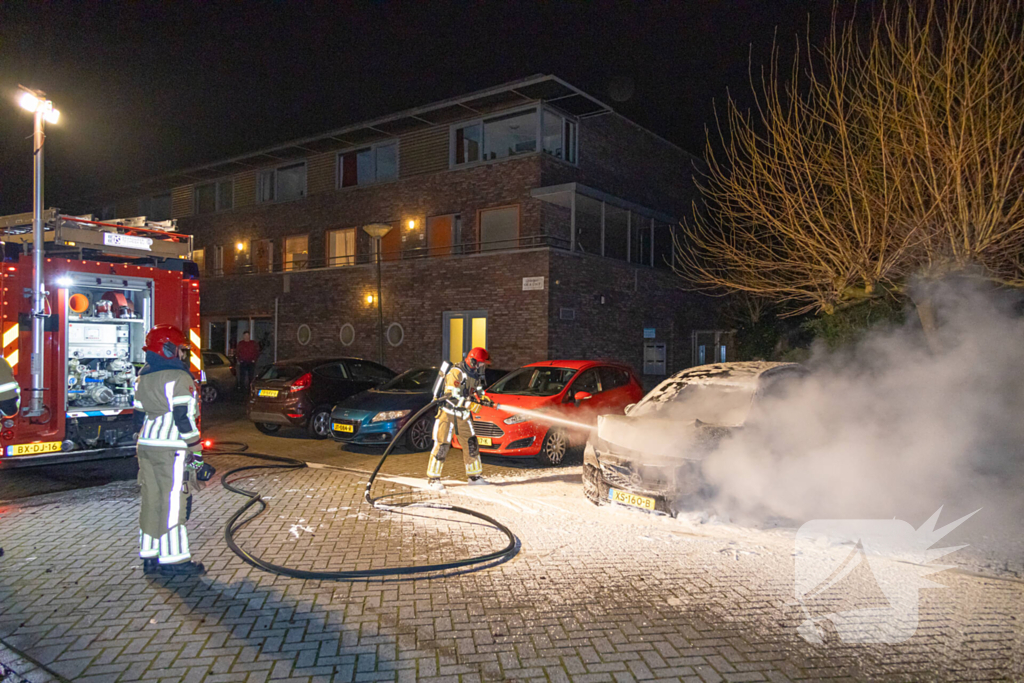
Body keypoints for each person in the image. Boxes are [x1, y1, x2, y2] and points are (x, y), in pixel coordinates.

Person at [134, 324, 207, 575]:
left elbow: (137, 415)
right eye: (179, 349)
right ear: (166, 349)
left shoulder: (142, 376)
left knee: (151, 501)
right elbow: (183, 417)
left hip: (146, 446)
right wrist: (196, 449)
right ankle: (175, 560)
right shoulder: (179, 378)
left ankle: (149, 555)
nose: (182, 355)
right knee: (174, 503)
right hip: (172, 450)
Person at [426, 347, 494, 491]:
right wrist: (471, 405)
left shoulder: (474, 374)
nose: (482, 366)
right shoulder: (456, 373)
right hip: (448, 413)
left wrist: (483, 397)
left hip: (462, 414)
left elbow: (476, 389)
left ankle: (474, 477)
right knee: (442, 445)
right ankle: (433, 479)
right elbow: (451, 396)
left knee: (471, 444)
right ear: (473, 360)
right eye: (481, 363)